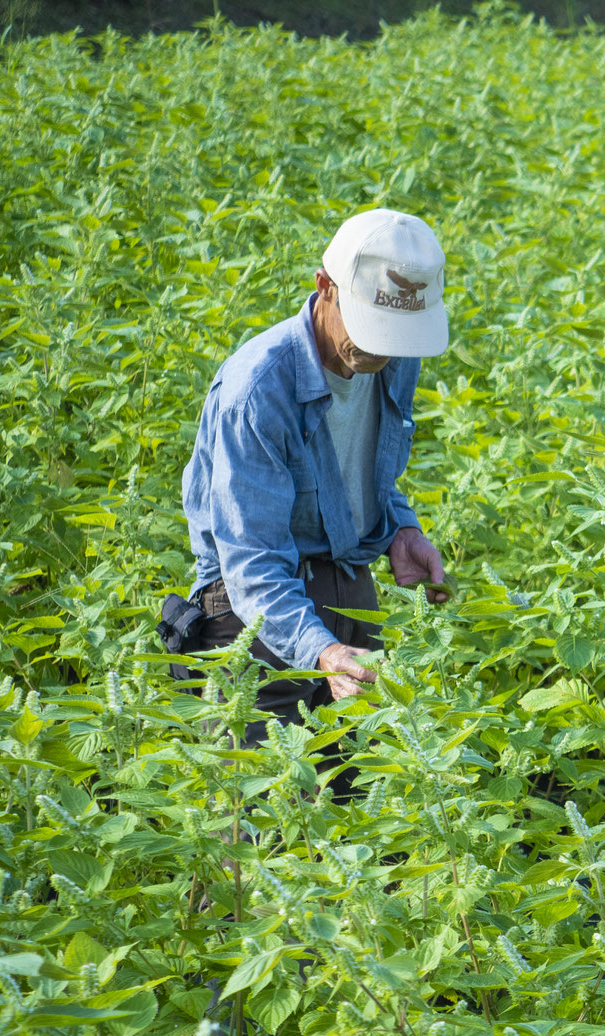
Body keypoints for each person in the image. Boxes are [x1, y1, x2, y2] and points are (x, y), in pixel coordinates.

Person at [163, 208, 454, 737]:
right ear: (325, 288)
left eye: (395, 335)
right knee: (258, 807)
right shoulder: (258, 391)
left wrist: (399, 528)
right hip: (254, 617)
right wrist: (320, 648)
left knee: (360, 799)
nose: (381, 349)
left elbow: (364, 465)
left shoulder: (392, 357)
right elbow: (250, 560)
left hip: (348, 585)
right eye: (371, 326)